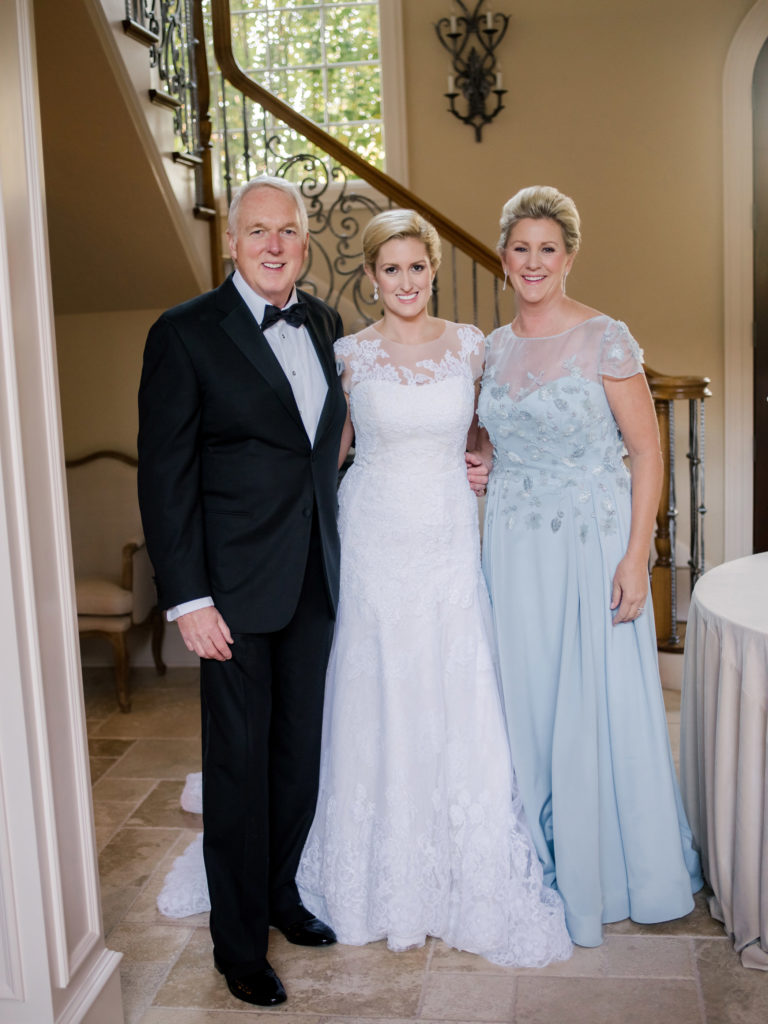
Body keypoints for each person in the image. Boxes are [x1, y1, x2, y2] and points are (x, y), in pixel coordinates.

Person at [294, 209, 572, 966]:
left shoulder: (473, 348)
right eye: (392, 270)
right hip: (376, 538)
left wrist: (485, 464)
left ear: (434, 271)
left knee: (452, 684)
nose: (406, 282)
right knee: (374, 687)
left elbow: (487, 437)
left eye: (417, 268)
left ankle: (461, 868)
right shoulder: (349, 354)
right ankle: (366, 870)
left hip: (449, 536)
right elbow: (330, 456)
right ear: (372, 277)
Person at [137, 176, 347, 1007]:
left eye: (286, 231)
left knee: (298, 759)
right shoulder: (184, 333)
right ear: (230, 243)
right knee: (238, 768)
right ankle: (238, 945)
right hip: (228, 595)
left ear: (304, 242)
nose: (272, 244)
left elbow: (319, 453)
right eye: (255, 231)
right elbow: (166, 478)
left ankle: (282, 897)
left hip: (314, 581)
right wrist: (188, 600)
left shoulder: (325, 322)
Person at [475, 185, 703, 948]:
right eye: (520, 248)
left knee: (591, 697)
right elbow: (491, 439)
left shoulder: (605, 338)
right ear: (503, 258)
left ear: (568, 258)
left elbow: (646, 451)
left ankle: (604, 864)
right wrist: (478, 460)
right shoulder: (494, 347)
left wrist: (637, 557)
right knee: (526, 697)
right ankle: (536, 854)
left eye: (548, 249)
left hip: (587, 545)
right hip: (511, 546)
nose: (533, 262)